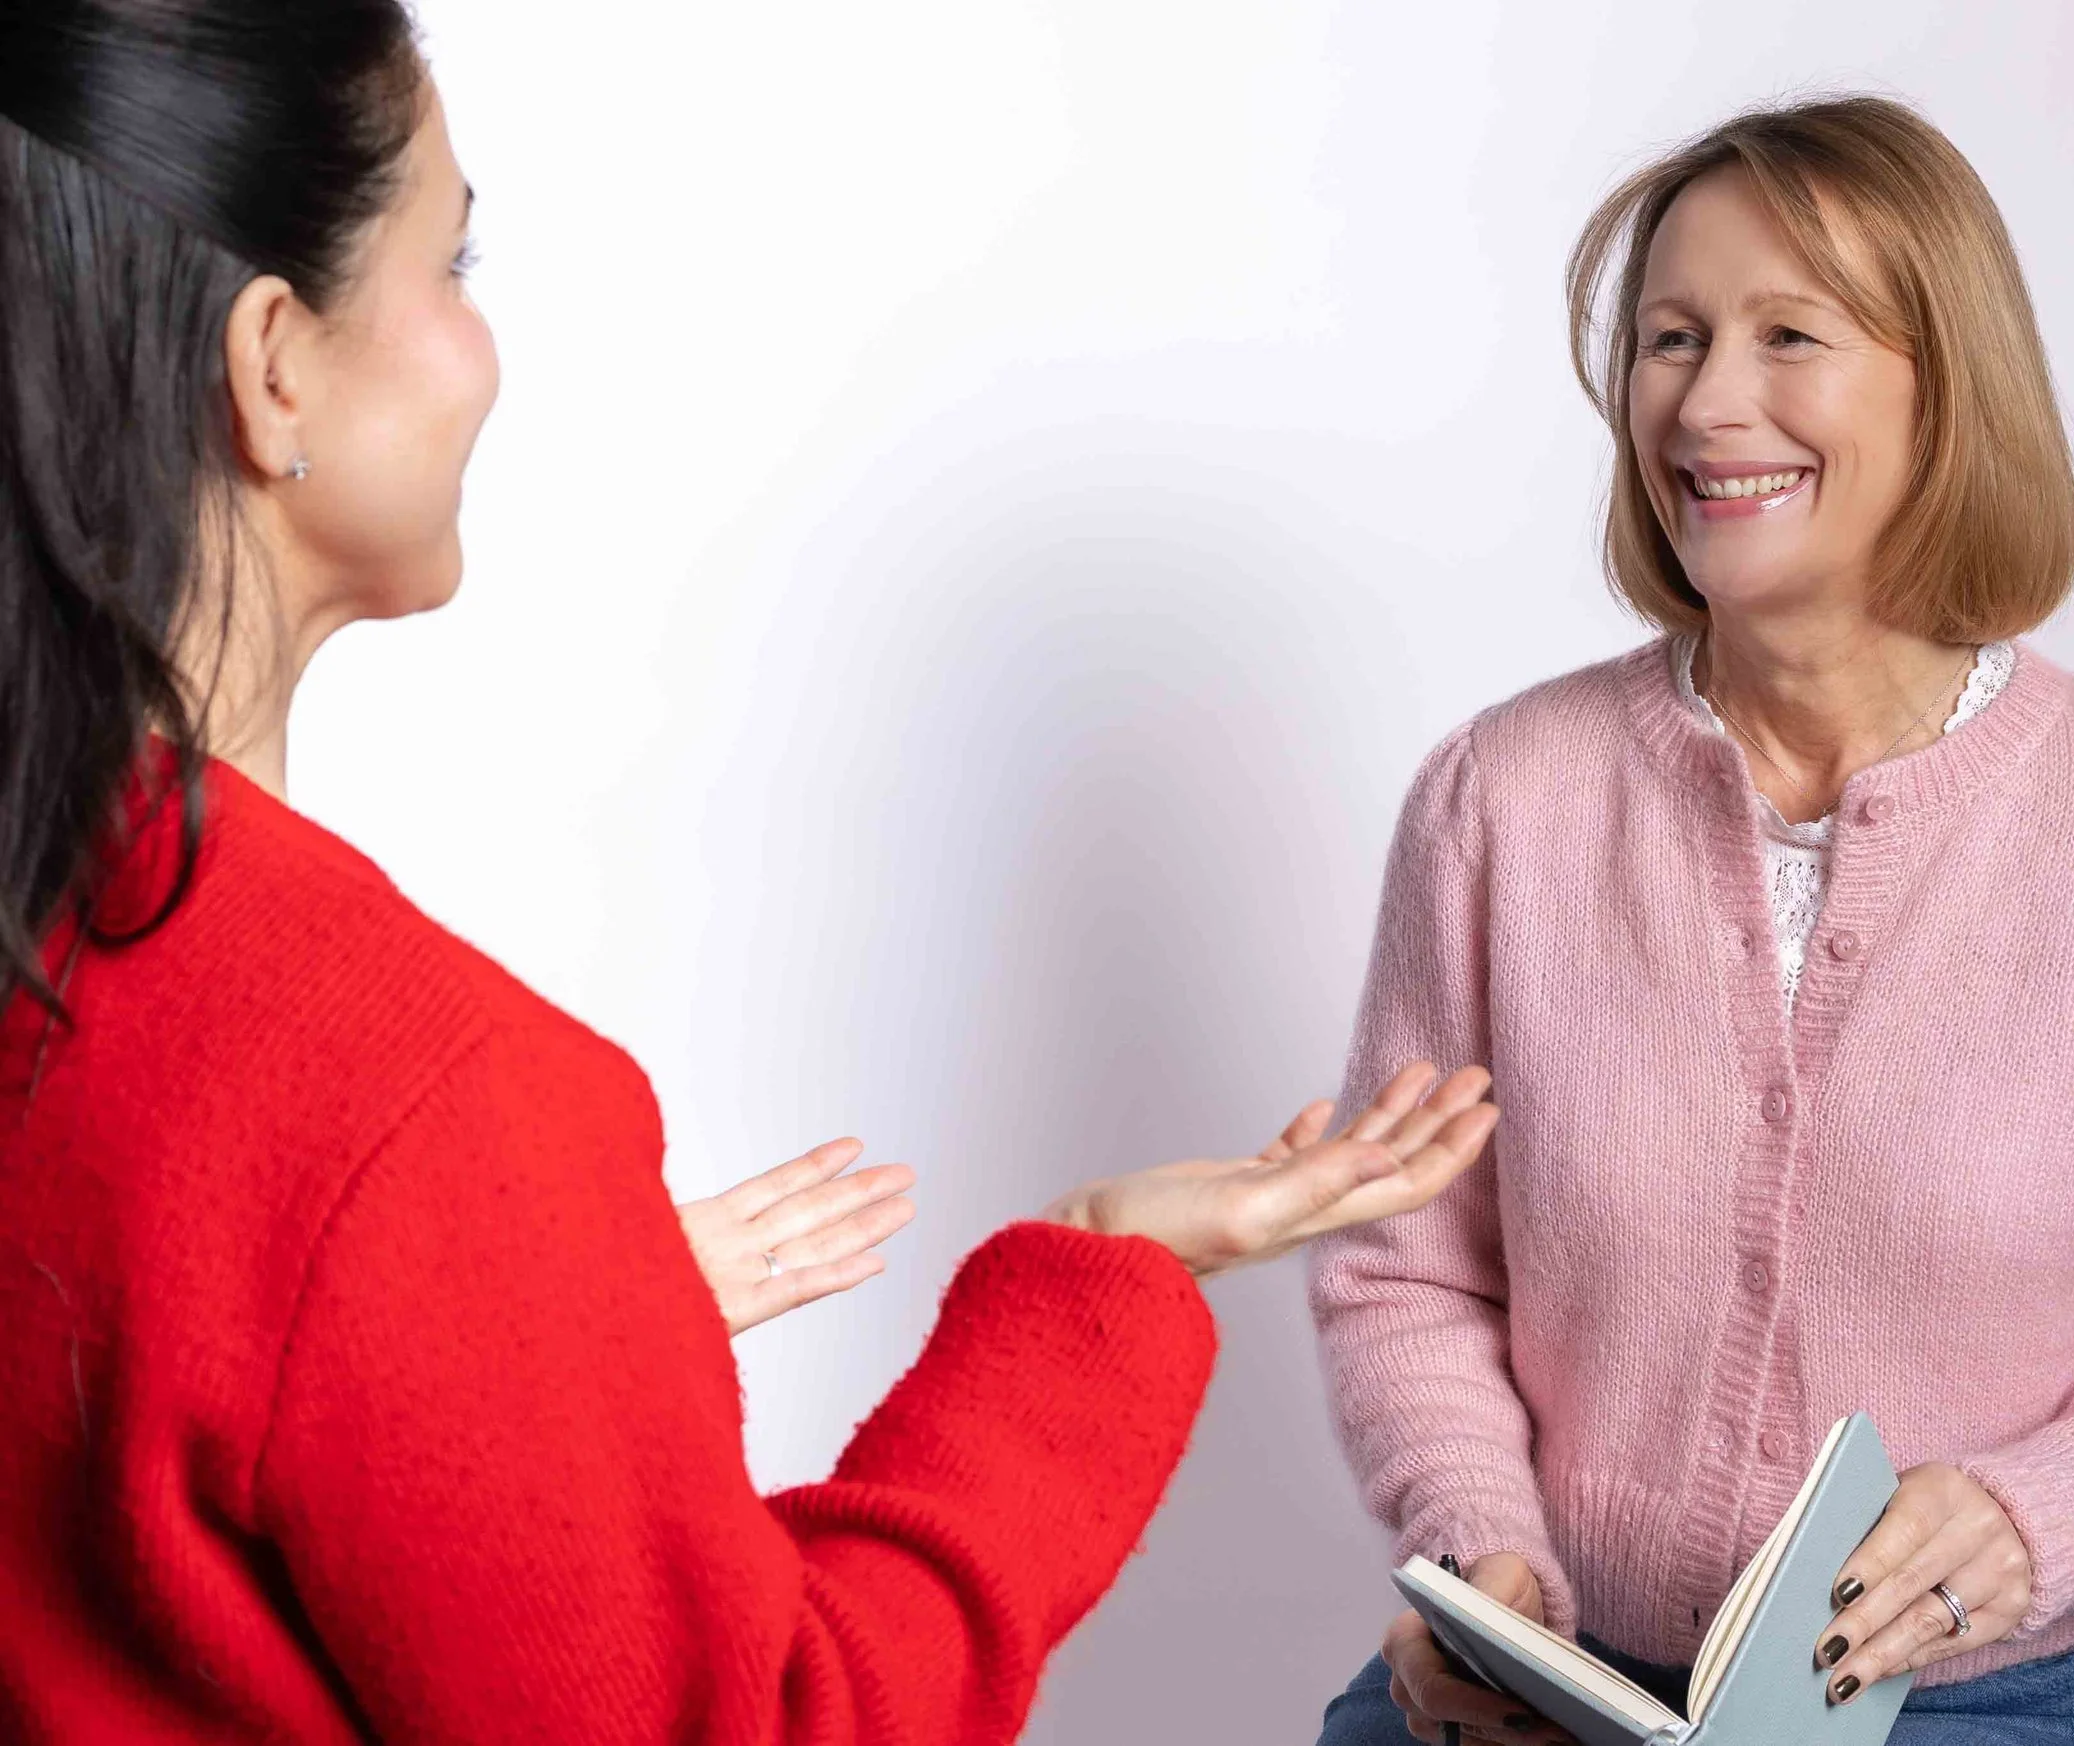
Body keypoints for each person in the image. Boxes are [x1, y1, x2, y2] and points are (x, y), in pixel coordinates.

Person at [0, 5, 1501, 1741]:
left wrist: (513, 1344)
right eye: (451, 255)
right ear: (271, 367)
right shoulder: (411, 1104)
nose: (485, 342)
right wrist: (1098, 1273)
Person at [1307, 95, 2074, 1745]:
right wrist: (1479, 1552)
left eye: (1789, 333)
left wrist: (2035, 1514)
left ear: (1950, 387)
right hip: (1546, 1686)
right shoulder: (1499, 801)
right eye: (1670, 338)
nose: (1707, 402)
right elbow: (1406, 1276)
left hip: (1971, 1701)